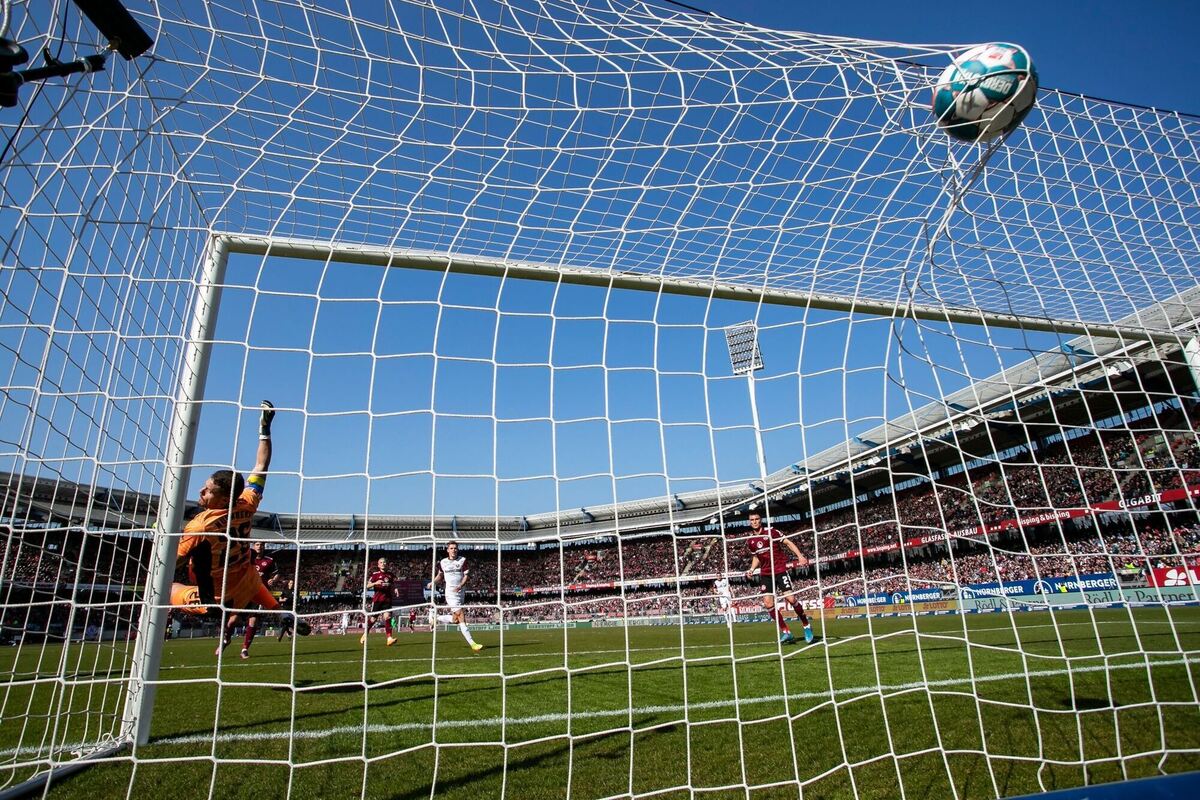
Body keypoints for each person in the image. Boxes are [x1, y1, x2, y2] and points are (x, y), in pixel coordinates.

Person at [170, 400, 309, 655]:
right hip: (247, 579)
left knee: (167, 588)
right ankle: (280, 613)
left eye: (208, 491)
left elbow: (172, 563)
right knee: (252, 582)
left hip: (218, 597)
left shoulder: (200, 525)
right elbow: (261, 465)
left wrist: (162, 538)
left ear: (224, 499)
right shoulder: (247, 502)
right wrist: (265, 430)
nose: (201, 492)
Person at [743, 511, 813, 644]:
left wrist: (800, 556)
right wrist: (752, 569)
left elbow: (788, 542)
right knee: (768, 603)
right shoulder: (750, 541)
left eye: (757, 519)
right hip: (765, 573)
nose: (754, 521)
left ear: (760, 520)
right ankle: (786, 632)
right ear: (749, 522)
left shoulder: (772, 532)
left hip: (780, 570)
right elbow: (756, 556)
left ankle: (806, 625)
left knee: (791, 599)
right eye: (752, 520)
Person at [429, 540, 482, 652]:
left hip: (460, 592)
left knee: (455, 620)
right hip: (450, 593)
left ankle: (435, 618)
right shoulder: (443, 562)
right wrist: (432, 582)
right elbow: (440, 576)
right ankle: (473, 644)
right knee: (461, 616)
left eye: (455, 548)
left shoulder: (462, 560)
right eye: (451, 548)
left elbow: (466, 576)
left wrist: (460, 585)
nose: (453, 550)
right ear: (447, 550)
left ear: (458, 550)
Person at [362, 556, 397, 646]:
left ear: (386, 564)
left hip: (387, 600)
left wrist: (395, 589)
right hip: (377, 600)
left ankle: (389, 638)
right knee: (373, 619)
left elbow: (393, 584)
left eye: (384, 562)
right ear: (378, 565)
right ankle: (365, 633)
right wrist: (375, 583)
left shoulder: (390, 575)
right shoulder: (375, 575)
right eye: (381, 562)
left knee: (387, 617)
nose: (383, 564)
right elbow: (367, 586)